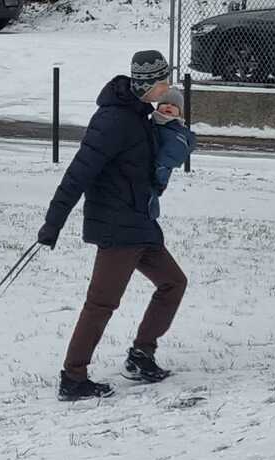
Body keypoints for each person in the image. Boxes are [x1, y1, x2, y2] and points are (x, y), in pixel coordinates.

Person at [37, 50, 189, 402]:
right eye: (163, 82)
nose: (167, 89)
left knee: (173, 282)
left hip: (140, 223)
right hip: (118, 227)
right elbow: (79, 172)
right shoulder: (114, 120)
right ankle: (73, 377)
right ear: (148, 85)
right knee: (102, 303)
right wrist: (53, 223)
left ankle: (141, 355)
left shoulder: (140, 116)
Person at [150, 87, 197, 219]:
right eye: (165, 103)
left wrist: (159, 167)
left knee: (150, 196)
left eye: (174, 105)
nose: (169, 106)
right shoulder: (150, 123)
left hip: (158, 172)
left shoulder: (179, 132)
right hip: (143, 169)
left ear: (179, 113)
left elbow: (174, 152)